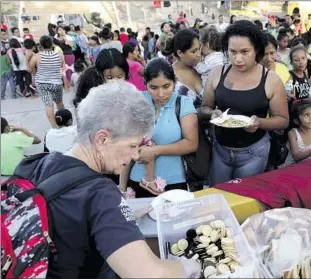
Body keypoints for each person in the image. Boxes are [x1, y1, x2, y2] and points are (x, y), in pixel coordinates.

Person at [12, 81, 201, 277]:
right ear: (102, 139)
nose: (136, 156)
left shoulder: (34, 164)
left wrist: (115, 217)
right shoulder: (100, 193)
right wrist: (187, 267)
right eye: (132, 145)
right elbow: (149, 273)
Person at [200, 20, 289, 185]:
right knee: (219, 197)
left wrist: (259, 122)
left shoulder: (270, 79)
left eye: (244, 52)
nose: (238, 58)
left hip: (254, 152)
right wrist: (212, 113)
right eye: (232, 52)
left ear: (256, 49)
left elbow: (283, 120)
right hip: (220, 149)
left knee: (244, 199)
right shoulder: (218, 73)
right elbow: (204, 108)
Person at [120, 58, 198, 197]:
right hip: (138, 180)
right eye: (154, 88)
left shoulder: (183, 103)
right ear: (146, 84)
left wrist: (155, 151)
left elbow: (191, 143)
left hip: (173, 182)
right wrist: (122, 187)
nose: (160, 94)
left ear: (175, 82)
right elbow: (124, 140)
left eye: (166, 86)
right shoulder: (137, 102)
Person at [29, 35, 65, 128]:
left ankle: (54, 127)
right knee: (59, 102)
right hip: (57, 83)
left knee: (49, 105)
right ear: (51, 44)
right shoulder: (59, 55)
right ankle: (64, 124)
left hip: (42, 84)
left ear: (40, 45)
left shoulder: (37, 57)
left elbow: (30, 69)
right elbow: (61, 66)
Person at [165, 29, 202, 106]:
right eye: (194, 51)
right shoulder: (168, 76)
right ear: (180, 53)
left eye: (199, 49)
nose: (199, 54)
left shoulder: (203, 68)